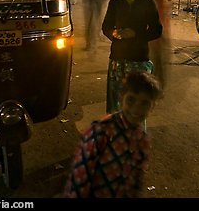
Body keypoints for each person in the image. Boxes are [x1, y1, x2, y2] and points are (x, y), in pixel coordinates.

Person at [63, 70, 163, 198]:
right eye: (131, 100)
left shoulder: (143, 139)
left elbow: (137, 177)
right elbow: (80, 175)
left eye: (145, 103)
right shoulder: (101, 130)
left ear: (152, 107)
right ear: (121, 98)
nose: (137, 109)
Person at [101, 0, 163, 113]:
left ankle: (135, 134)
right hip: (117, 58)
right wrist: (113, 34)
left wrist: (136, 34)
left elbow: (157, 30)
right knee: (116, 103)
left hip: (139, 59)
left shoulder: (147, 2)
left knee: (136, 106)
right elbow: (106, 26)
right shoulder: (115, 1)